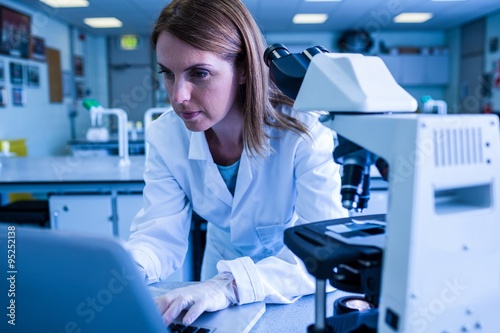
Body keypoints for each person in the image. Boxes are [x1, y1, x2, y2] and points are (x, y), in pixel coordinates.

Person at [126, 0, 348, 326]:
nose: (178, 96)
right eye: (168, 74)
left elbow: (327, 252)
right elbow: (159, 234)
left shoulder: (302, 130)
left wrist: (230, 287)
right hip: (218, 270)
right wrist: (127, 269)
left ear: (244, 69)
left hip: (291, 277)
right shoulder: (165, 135)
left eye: (199, 73)